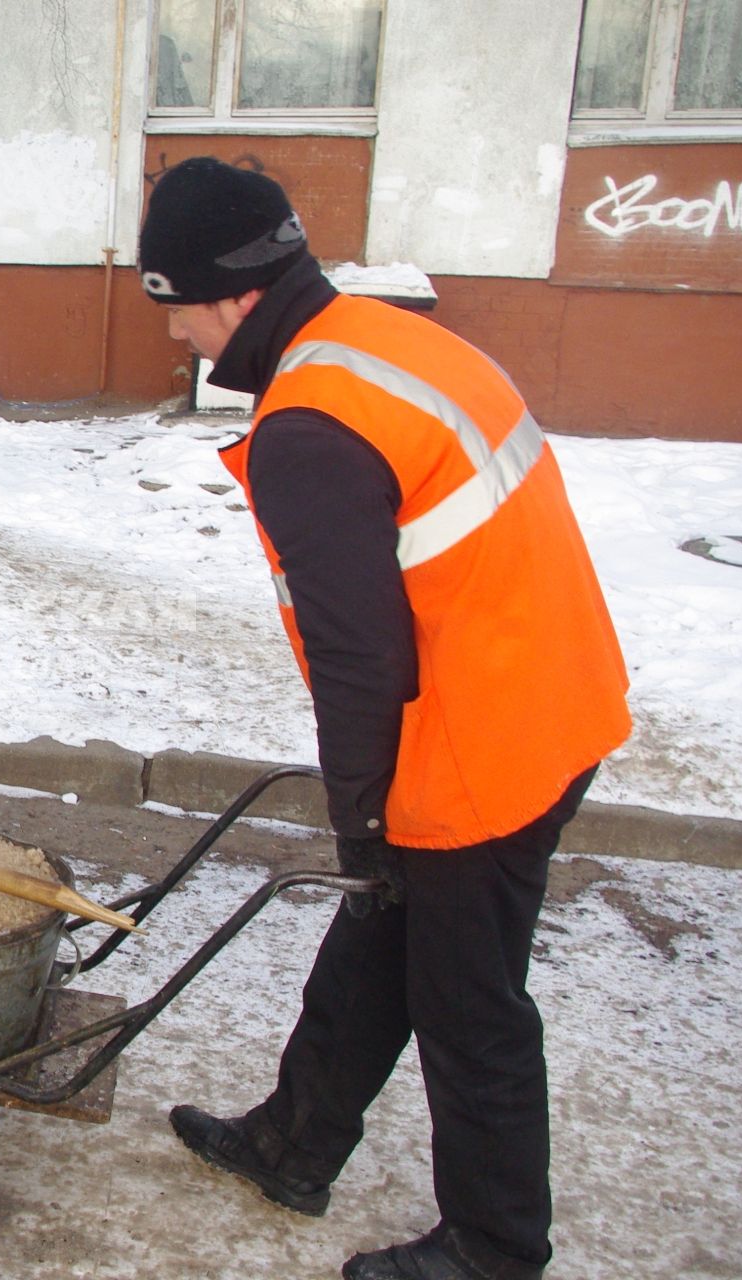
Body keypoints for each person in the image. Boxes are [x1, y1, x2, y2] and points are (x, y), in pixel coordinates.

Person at [136, 157, 631, 1280]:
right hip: (545, 692)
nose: (173, 337)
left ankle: (493, 1250)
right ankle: (293, 1142)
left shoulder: (308, 424)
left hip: (478, 749)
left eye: (171, 308)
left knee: (468, 1008)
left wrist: (362, 818)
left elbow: (362, 658)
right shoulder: (379, 337)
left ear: (230, 294)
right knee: (373, 944)